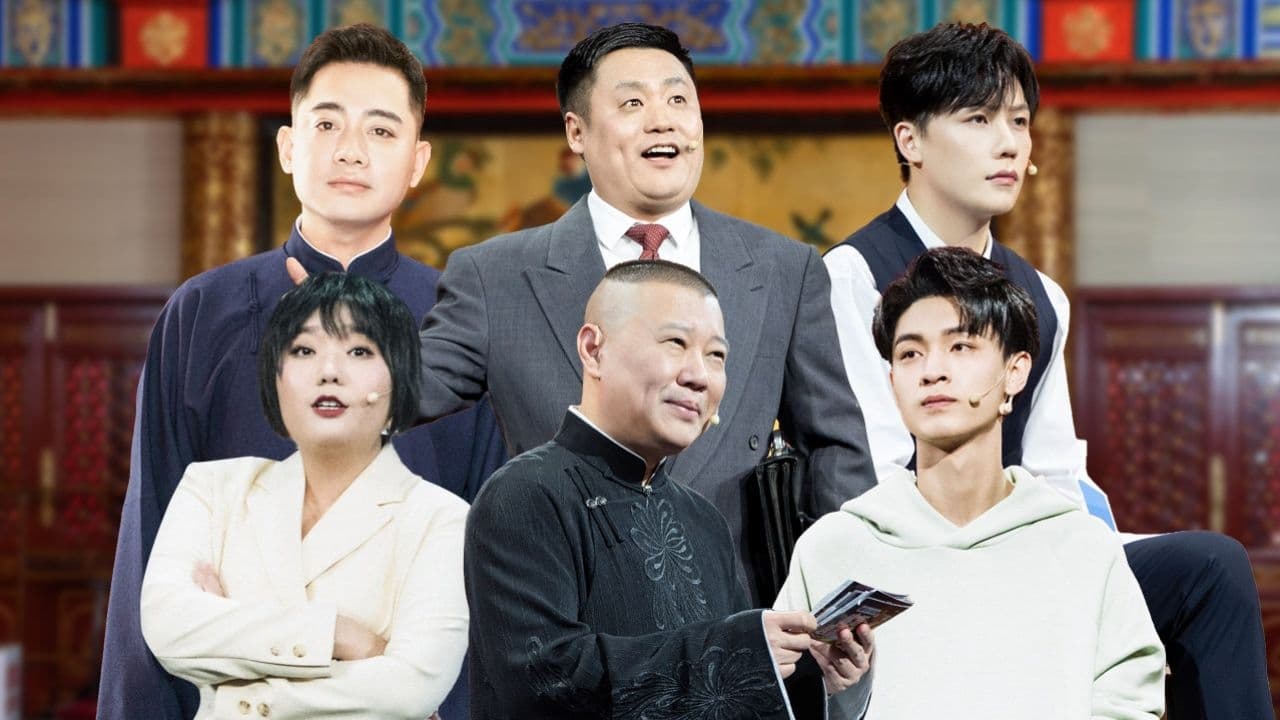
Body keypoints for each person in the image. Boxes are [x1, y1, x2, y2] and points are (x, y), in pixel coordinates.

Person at [825, 22, 1272, 719]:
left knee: (1210, 568)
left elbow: (1058, 473)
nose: (1009, 143)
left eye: (1019, 121)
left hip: (1026, 547)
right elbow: (871, 471)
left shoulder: (1040, 295)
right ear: (910, 141)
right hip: (912, 562)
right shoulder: (852, 276)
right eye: (979, 120)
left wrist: (1086, 562)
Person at [98, 24, 506, 720]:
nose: (351, 149)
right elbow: (151, 535)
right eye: (327, 123)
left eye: (381, 130)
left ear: (418, 161)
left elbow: (487, 562)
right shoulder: (202, 311)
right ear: (289, 146)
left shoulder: (462, 318)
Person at [407, 22, 876, 602]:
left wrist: (843, 598)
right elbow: (398, 391)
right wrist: (326, 320)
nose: (663, 120)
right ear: (576, 131)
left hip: (735, 620)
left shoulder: (785, 269)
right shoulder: (494, 276)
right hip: (568, 613)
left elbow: (835, 447)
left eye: (679, 100)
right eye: (633, 103)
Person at [465, 260, 872, 718]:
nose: (699, 375)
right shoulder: (524, 494)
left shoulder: (705, 521)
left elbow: (726, 698)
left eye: (716, 355)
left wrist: (808, 678)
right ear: (594, 350)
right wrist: (740, 651)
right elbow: (543, 680)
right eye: (676, 343)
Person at [779, 246, 1166, 719]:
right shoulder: (832, 548)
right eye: (910, 353)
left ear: (1015, 372)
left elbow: (1129, 701)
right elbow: (779, 702)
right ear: (892, 382)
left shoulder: (1082, 548)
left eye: (960, 347)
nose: (932, 371)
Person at [139, 272, 468, 719]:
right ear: (275, 378)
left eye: (359, 351)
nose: (328, 372)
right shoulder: (213, 489)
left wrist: (238, 691)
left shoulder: (443, 519)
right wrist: (340, 636)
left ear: (402, 378)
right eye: (304, 350)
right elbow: (167, 627)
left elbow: (410, 689)